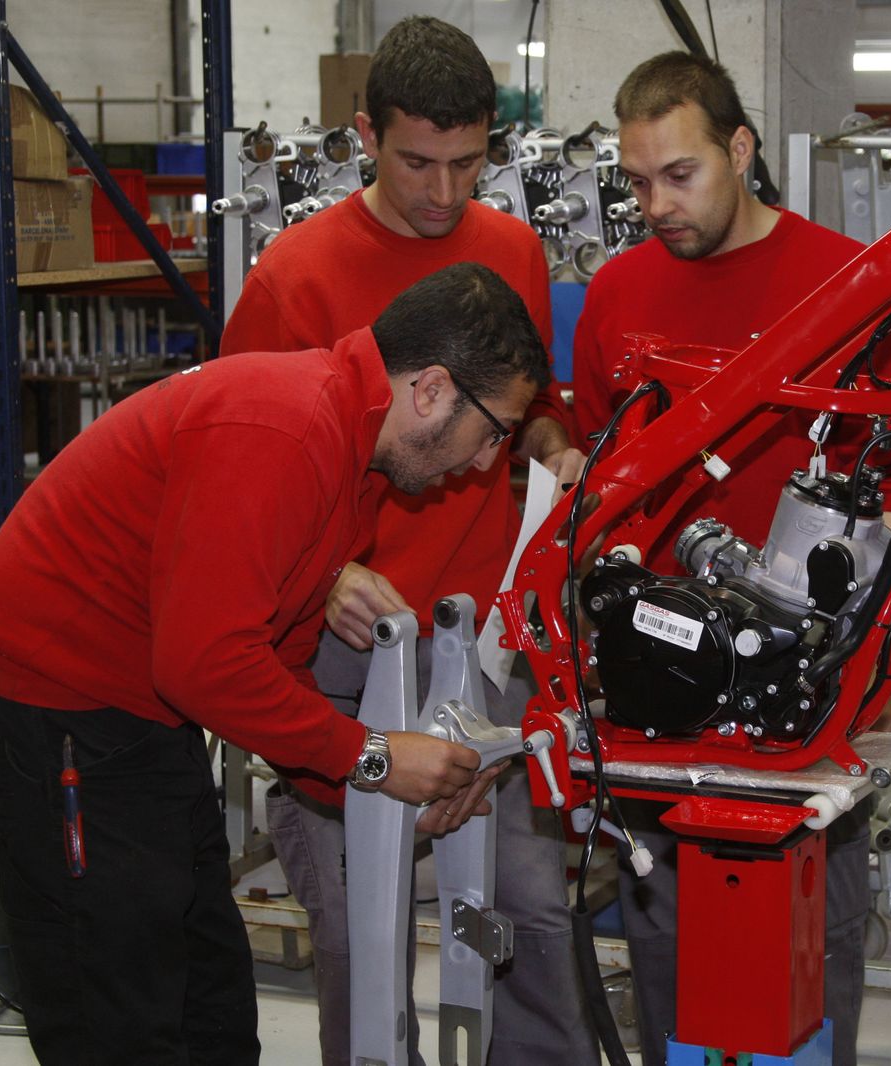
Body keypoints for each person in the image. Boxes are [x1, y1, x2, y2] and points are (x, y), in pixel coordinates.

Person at [0, 263, 546, 1065]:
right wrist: (374, 756)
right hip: (48, 728)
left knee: (211, 1013)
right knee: (118, 1024)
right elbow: (203, 665)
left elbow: (270, 668)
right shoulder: (283, 426)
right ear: (432, 389)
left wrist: (385, 788)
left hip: (140, 730)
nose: (483, 462)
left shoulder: (351, 463)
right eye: (495, 430)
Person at [219, 16, 596, 1066]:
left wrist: (556, 449)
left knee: (527, 907)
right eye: (415, 163)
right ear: (362, 138)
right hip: (346, 641)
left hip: (487, 638)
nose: (442, 193)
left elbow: (539, 405)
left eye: (468, 164)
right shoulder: (295, 275)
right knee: (356, 923)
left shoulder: (511, 248)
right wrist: (330, 570)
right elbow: (241, 469)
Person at [572, 51, 882, 1066]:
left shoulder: (847, 283)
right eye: (637, 180)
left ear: (738, 149)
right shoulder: (616, 296)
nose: (655, 202)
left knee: (809, 951)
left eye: (680, 174)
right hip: (664, 687)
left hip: (804, 690)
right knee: (668, 949)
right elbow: (593, 476)